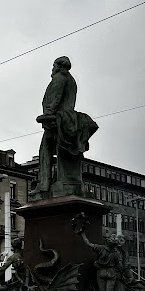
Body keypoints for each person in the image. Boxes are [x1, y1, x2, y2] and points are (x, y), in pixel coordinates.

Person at [32, 56, 98, 197]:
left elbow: (54, 98)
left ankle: (43, 185)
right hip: (68, 119)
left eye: (53, 66)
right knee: (58, 149)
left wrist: (48, 114)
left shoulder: (60, 78)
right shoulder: (71, 80)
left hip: (58, 121)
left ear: (58, 66)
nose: (52, 69)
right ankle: (55, 181)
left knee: (45, 149)